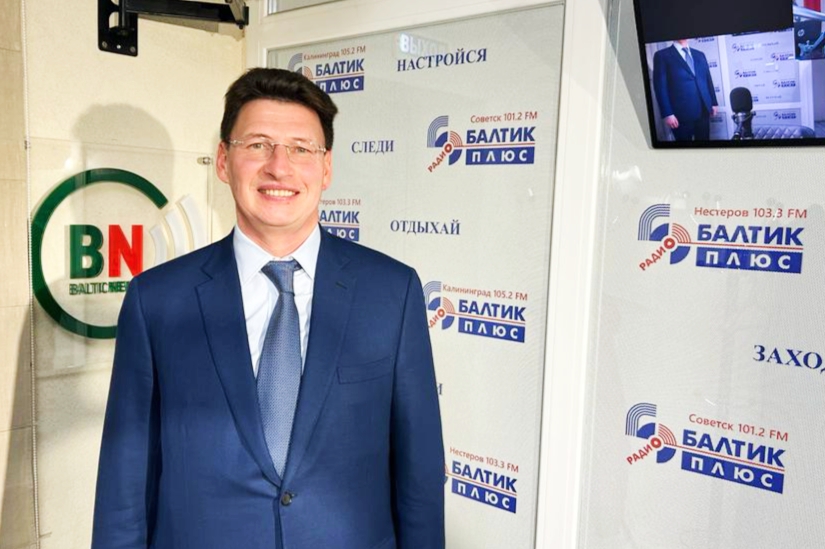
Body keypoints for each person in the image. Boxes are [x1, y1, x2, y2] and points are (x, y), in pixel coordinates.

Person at [92, 68, 445, 549]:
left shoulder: (392, 292)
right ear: (223, 160)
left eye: (301, 149)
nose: (279, 167)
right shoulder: (157, 300)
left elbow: (420, 471)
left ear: (326, 168)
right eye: (258, 145)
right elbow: (125, 479)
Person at [652, 39, 718, 141]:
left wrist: (713, 102)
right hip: (680, 115)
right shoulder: (662, 56)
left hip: (703, 110)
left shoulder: (700, 55)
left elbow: (708, 80)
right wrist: (667, 113)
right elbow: (660, 87)